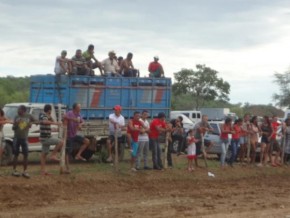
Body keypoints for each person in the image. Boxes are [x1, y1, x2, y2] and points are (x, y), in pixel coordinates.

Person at [39, 104, 64, 175]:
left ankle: (42, 171)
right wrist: (56, 123)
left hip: (45, 136)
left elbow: (50, 120)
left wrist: (50, 116)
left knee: (44, 155)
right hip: (46, 137)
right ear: (49, 110)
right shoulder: (43, 115)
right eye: (51, 110)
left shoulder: (46, 116)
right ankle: (53, 155)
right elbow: (45, 122)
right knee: (61, 142)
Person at [12, 105, 36, 178]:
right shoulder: (16, 117)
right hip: (16, 137)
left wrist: (31, 123)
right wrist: (16, 123)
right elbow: (13, 128)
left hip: (25, 138)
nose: (18, 111)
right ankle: (14, 171)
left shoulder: (29, 116)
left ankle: (25, 172)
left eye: (19, 109)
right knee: (16, 154)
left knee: (25, 155)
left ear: (23, 110)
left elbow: (35, 120)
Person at [0, 108, 13, 173]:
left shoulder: (2, 115)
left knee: (2, 147)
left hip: (1, 133)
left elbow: (7, 119)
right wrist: (6, 121)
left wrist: (8, 120)